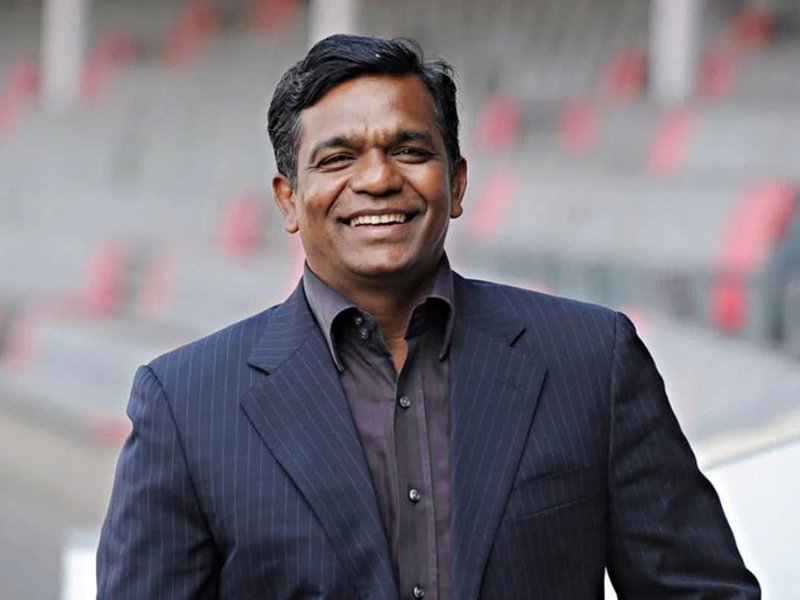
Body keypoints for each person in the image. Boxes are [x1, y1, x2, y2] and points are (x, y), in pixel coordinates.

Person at [97, 34, 760, 599]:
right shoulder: (186, 404)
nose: (378, 179)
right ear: (288, 200)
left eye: (410, 151)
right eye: (337, 158)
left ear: (458, 182)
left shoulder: (591, 358)